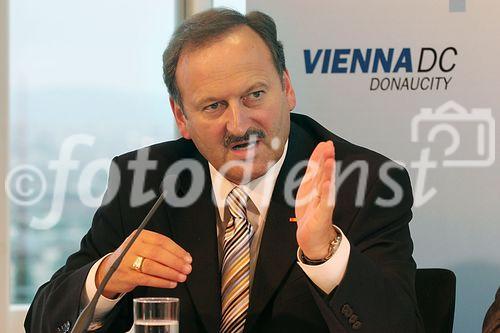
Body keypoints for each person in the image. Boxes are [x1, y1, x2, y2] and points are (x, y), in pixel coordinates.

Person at [25, 8, 424, 333]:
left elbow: (402, 326)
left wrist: (326, 254)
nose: (238, 124)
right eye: (213, 106)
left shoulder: (362, 182)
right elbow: (42, 321)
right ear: (181, 117)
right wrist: (104, 279)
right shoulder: (146, 180)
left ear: (286, 89)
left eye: (254, 95)